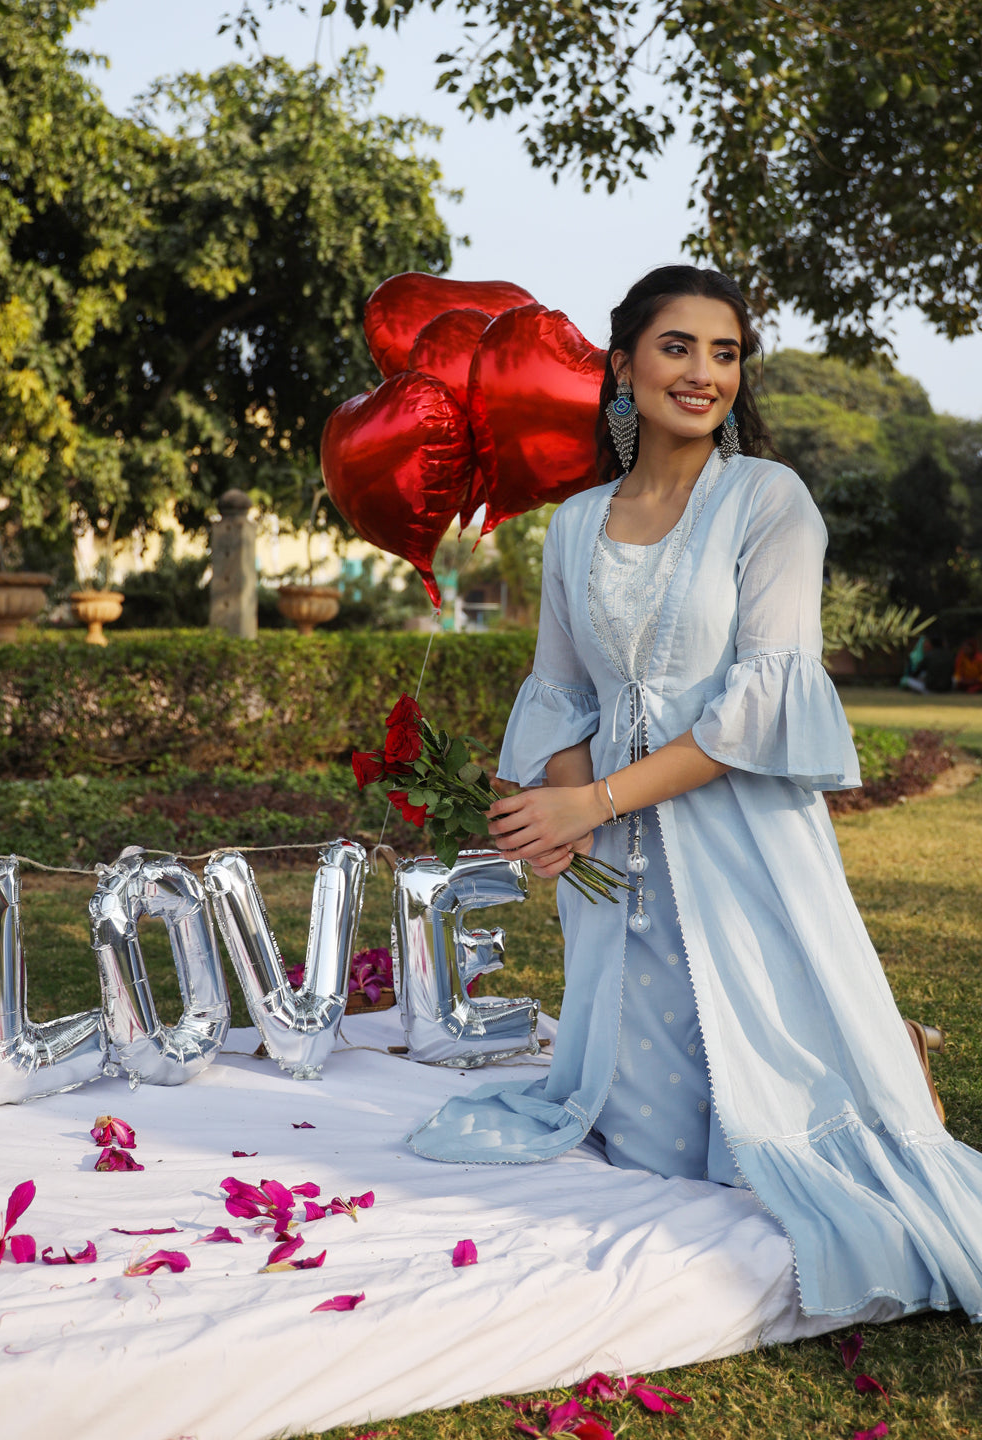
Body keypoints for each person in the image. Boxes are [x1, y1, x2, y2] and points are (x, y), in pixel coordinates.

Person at [407, 266, 982, 1323]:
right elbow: (561, 693)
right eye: (678, 347)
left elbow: (758, 709)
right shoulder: (575, 524)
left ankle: (877, 1056)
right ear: (623, 365)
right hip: (616, 865)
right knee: (654, 1151)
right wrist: (558, 815)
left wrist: (594, 801)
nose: (704, 372)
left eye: (725, 353)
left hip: (740, 842)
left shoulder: (769, 500)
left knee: (767, 1143)